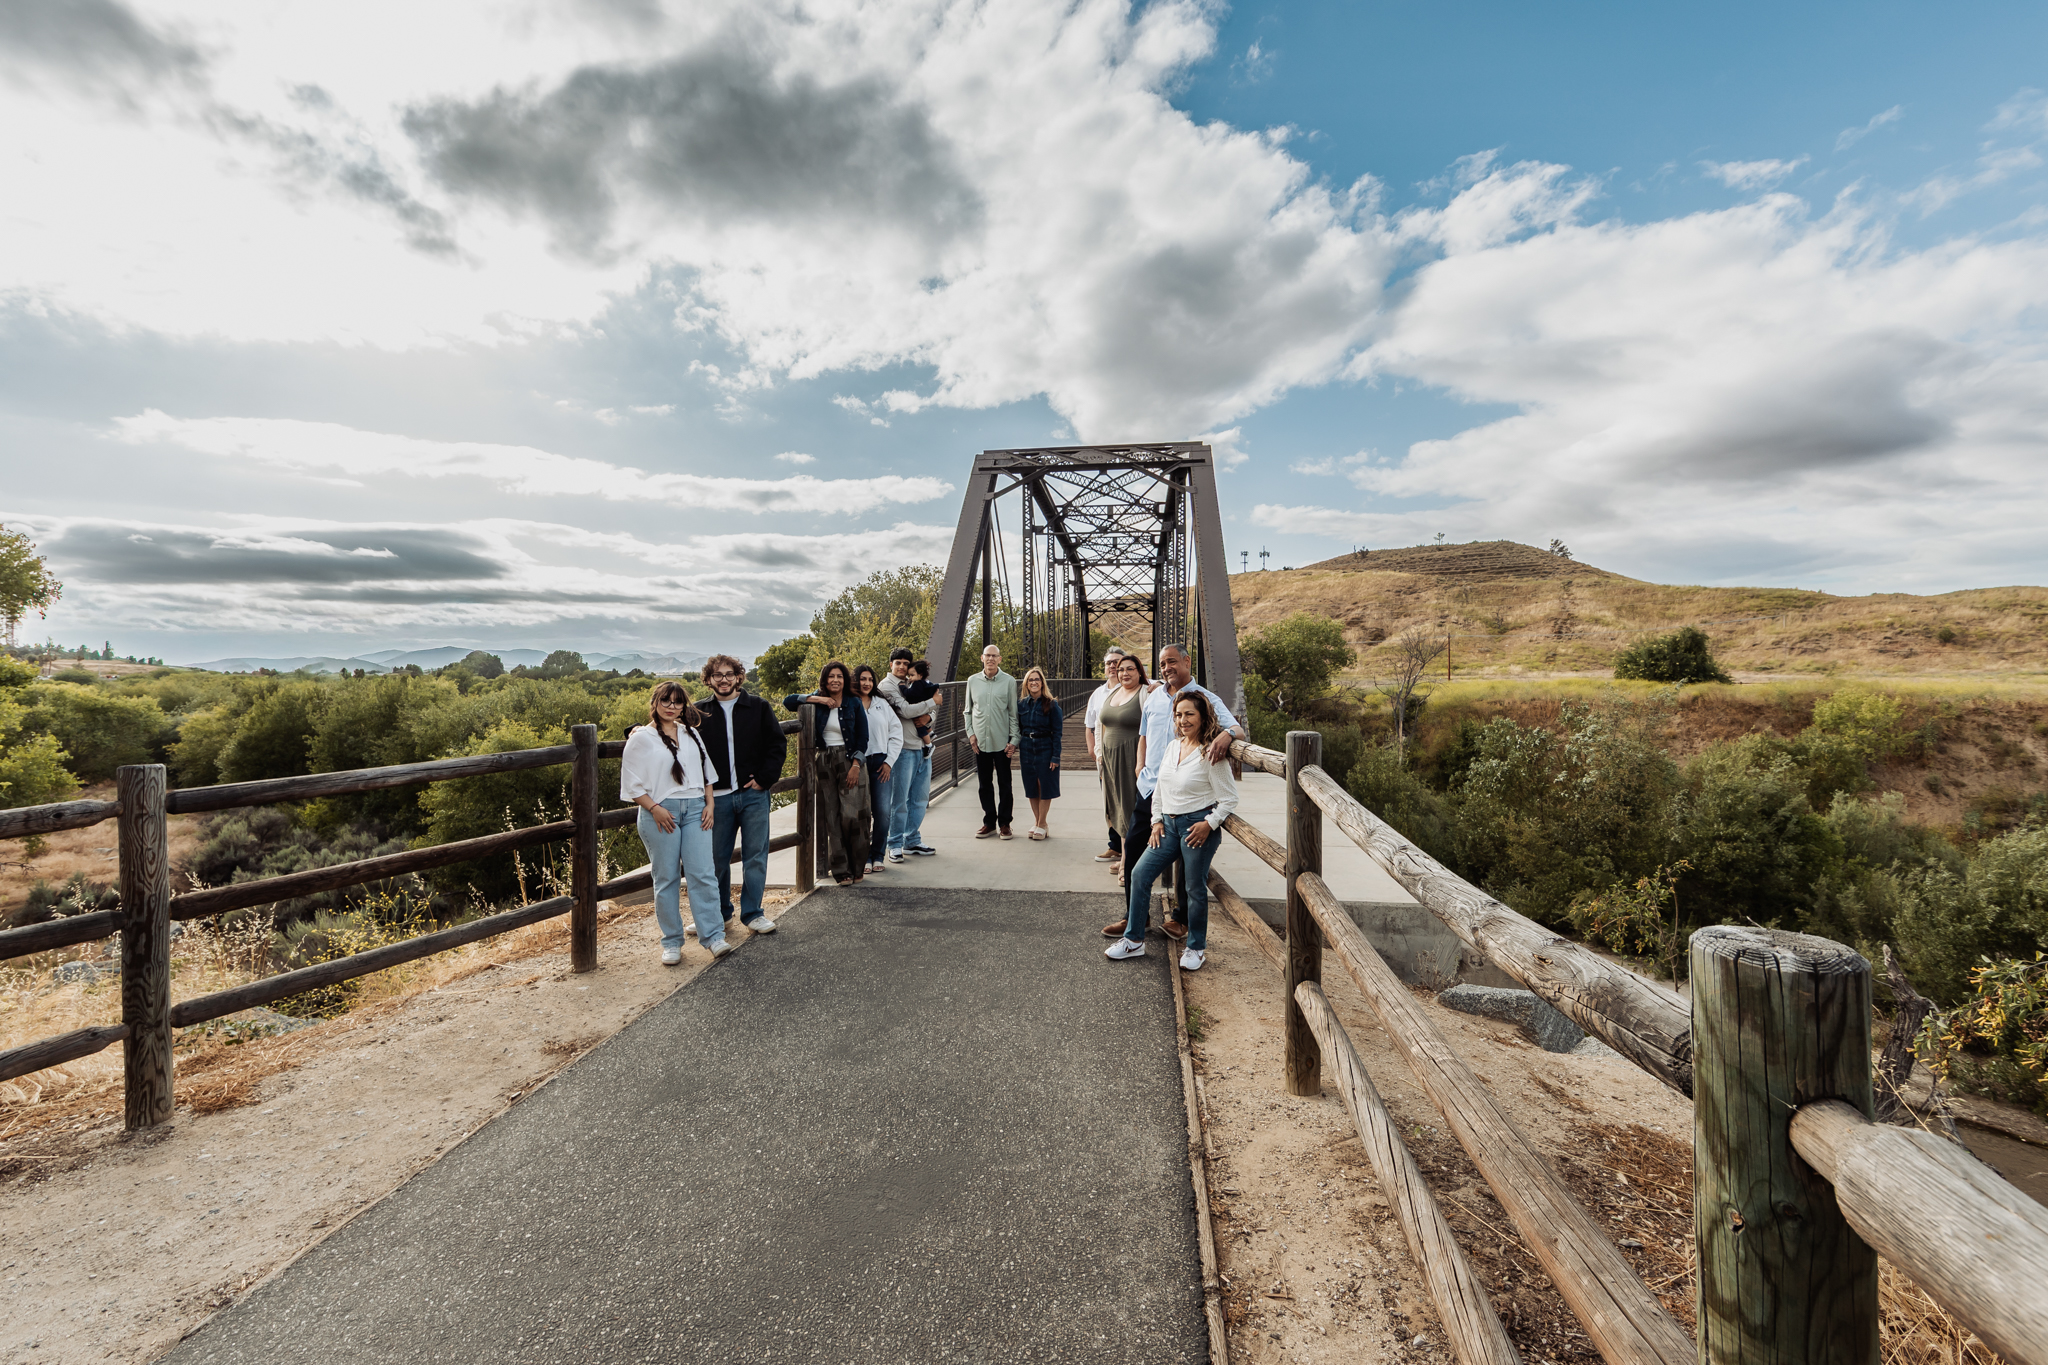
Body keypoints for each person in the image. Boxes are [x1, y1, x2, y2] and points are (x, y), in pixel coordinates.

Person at [1107, 643, 1244, 939]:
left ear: (1186, 661)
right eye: (1162, 664)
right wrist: (1140, 766)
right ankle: (1135, 917)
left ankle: (1181, 921)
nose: (1166, 668)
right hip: (1151, 788)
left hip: (1188, 796)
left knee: (1187, 859)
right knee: (1133, 848)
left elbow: (1237, 728)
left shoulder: (1204, 697)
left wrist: (1225, 736)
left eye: (1171, 662)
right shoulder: (1155, 696)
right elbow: (1143, 734)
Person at [620, 681, 727, 963]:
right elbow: (632, 784)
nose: (671, 707)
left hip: (695, 809)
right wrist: (654, 808)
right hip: (660, 812)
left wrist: (710, 804)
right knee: (666, 878)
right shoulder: (641, 738)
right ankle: (672, 941)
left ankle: (714, 936)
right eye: (666, 701)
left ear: (684, 706)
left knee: (702, 874)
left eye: (677, 702)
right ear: (655, 702)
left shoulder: (690, 733)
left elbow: (706, 772)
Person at [699, 654, 786, 936]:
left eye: (729, 674)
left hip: (752, 796)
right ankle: (719, 914)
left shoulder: (758, 707)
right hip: (717, 799)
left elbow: (776, 744)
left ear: (738, 677)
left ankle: (752, 913)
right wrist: (635, 730)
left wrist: (764, 779)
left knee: (755, 857)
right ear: (709, 680)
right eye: (717, 675)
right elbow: (667, 725)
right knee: (716, 860)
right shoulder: (698, 712)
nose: (723, 680)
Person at [783, 661, 870, 885]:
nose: (835, 680)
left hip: (851, 761)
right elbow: (789, 701)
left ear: (845, 680)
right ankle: (841, 871)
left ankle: (857, 865)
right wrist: (817, 699)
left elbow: (863, 738)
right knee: (832, 816)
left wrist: (856, 765)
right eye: (831, 676)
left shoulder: (854, 703)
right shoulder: (819, 701)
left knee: (854, 815)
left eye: (839, 676)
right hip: (825, 760)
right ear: (825, 679)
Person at [876, 650, 939, 861]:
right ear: (891, 664)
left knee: (920, 799)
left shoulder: (914, 683)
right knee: (899, 801)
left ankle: (911, 840)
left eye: (906, 664)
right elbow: (906, 711)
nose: (902, 667)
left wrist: (929, 714)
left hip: (921, 748)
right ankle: (894, 843)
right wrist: (932, 704)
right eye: (898, 663)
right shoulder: (887, 687)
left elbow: (932, 709)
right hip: (902, 750)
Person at [1095, 654, 1148, 877]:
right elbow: (1100, 724)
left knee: (1129, 809)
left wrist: (1142, 762)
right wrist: (1099, 753)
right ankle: (1127, 856)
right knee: (1116, 807)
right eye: (1120, 669)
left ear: (1139, 672)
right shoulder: (1113, 692)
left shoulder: (1146, 692)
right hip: (1109, 759)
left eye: (1130, 669)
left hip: (1130, 758)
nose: (1124, 673)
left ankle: (1129, 862)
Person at [963, 643, 1019, 839]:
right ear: (982, 658)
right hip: (980, 742)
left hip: (1002, 741)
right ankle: (989, 822)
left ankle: (1005, 823)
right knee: (984, 784)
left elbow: (1013, 712)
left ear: (1000, 659)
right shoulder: (972, 681)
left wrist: (1014, 739)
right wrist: (970, 734)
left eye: (995, 656)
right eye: (988, 655)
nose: (991, 659)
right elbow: (968, 711)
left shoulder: (1009, 681)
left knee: (1005, 783)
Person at [854, 663, 903, 874]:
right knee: (861, 813)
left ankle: (877, 855)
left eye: (870, 680)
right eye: (862, 679)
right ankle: (863, 856)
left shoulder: (882, 703)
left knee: (882, 812)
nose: (867, 683)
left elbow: (896, 733)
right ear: (855, 681)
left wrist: (889, 762)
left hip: (881, 762)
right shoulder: (849, 703)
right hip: (858, 764)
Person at [1083, 647, 1128, 862]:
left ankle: (1131, 847)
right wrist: (1092, 750)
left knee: (1127, 802)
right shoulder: (1097, 694)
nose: (1112, 666)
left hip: (1128, 756)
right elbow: (1089, 725)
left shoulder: (1136, 689)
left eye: (1117, 662)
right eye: (1109, 662)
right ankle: (1115, 846)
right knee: (1109, 802)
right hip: (1104, 758)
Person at [1016, 666, 1063, 840]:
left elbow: (1057, 733)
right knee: (1031, 787)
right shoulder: (1021, 705)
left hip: (1045, 745)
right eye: (1030, 680)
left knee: (1045, 785)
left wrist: (1055, 756)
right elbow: (1017, 727)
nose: (1034, 682)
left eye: (1037, 679)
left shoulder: (1052, 704)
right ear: (1026, 684)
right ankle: (1037, 822)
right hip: (1027, 746)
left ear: (1042, 683)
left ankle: (1042, 823)